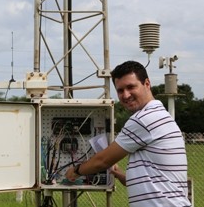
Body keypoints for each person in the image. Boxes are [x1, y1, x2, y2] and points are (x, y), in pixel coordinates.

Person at [65, 61, 191, 206]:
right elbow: (154, 181)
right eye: (120, 90)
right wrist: (118, 174)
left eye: (131, 87)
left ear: (147, 84)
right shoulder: (159, 115)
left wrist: (76, 171)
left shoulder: (143, 119)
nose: (125, 95)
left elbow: (102, 161)